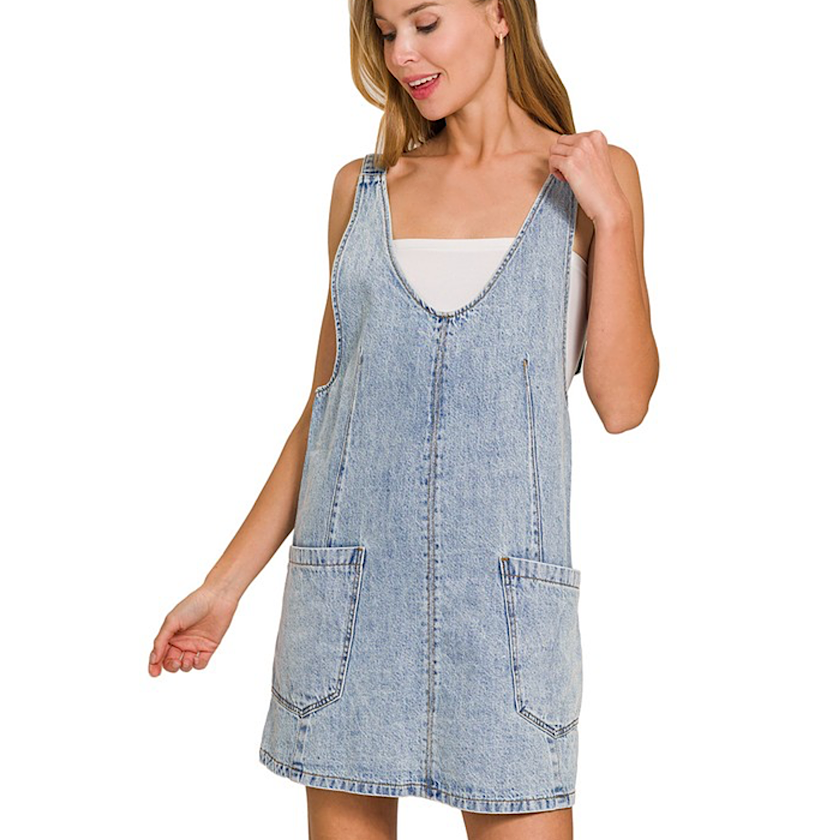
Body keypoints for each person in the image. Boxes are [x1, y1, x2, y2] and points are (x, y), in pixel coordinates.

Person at [148, 1, 659, 838]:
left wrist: (616, 217)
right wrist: (224, 586)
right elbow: (328, 411)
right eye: (386, 32)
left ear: (499, 14)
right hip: (349, 614)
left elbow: (624, 403)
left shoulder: (598, 179)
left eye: (424, 24)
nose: (401, 55)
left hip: (504, 621)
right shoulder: (364, 189)